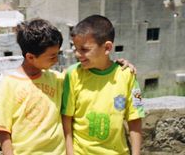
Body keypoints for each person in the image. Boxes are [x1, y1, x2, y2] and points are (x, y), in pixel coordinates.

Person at [61, 15, 144, 155]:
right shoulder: (72, 75)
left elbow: (134, 119)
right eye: (75, 48)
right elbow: (66, 120)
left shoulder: (127, 75)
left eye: (84, 49)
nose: (77, 54)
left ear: (107, 47)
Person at [0, 18, 66, 155]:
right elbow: (3, 129)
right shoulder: (9, 84)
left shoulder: (55, 79)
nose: (56, 60)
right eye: (52, 56)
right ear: (30, 57)